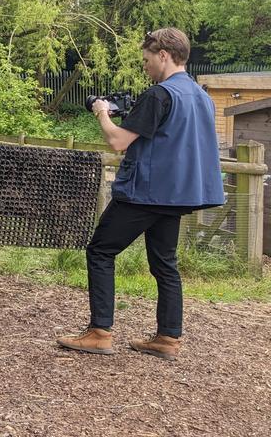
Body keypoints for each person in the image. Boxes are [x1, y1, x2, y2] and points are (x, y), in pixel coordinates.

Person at [57, 28, 224, 361]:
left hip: (145, 192)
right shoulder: (201, 96)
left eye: (147, 60)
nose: (145, 66)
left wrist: (102, 112)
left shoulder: (159, 95)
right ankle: (168, 338)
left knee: (101, 251)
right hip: (178, 195)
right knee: (165, 265)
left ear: (163, 55)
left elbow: (118, 141)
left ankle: (100, 333)